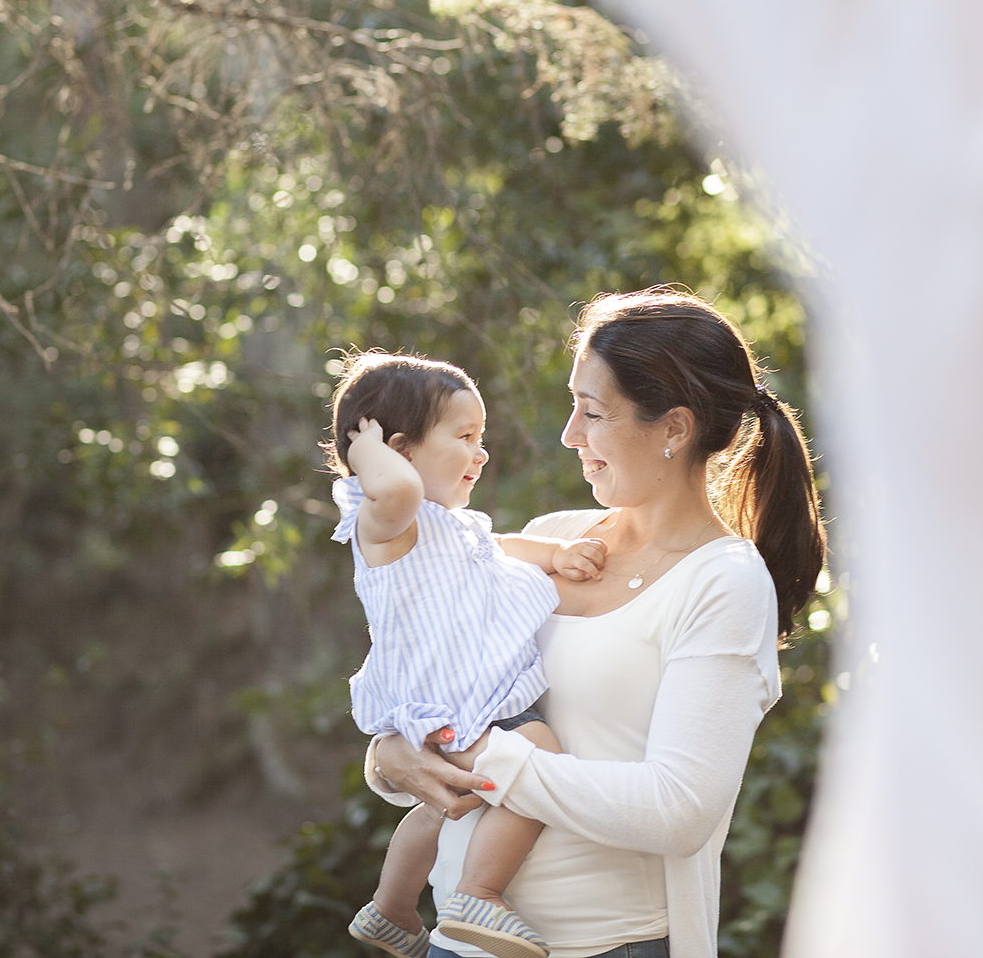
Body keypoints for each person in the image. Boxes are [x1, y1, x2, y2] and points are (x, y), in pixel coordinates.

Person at [364, 288, 827, 958]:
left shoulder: (723, 581)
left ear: (674, 428)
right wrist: (389, 755)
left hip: (606, 946)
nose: (569, 434)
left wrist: (485, 759)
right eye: (571, 405)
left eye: (593, 411)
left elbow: (678, 809)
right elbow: (423, 666)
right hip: (460, 946)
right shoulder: (552, 541)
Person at [327, 352, 611, 958]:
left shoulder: (451, 526)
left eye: (482, 438)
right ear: (398, 452)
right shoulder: (386, 522)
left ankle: (391, 907)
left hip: (461, 707)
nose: (481, 454)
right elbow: (398, 486)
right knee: (540, 752)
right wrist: (364, 449)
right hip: (458, 705)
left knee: (441, 810)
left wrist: (554, 556)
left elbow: (500, 549)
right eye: (464, 437)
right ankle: (479, 894)